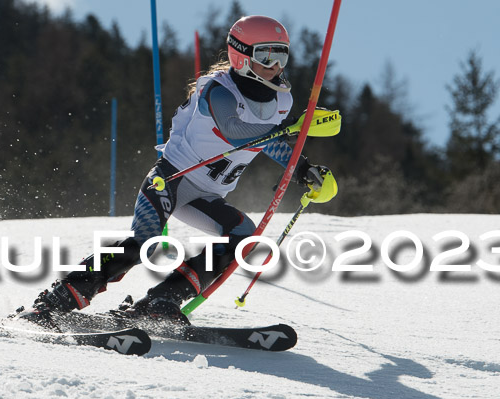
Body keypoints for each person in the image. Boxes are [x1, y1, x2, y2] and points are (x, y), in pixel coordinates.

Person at [21, 15, 331, 326]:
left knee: (243, 237)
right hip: (170, 179)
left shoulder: (281, 100)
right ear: (241, 55)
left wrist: (303, 168)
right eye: (266, 55)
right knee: (145, 241)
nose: (276, 65)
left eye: (282, 55)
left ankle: (162, 300)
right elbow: (234, 129)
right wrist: (287, 130)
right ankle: (60, 297)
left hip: (206, 196)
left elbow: (268, 142)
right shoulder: (217, 89)